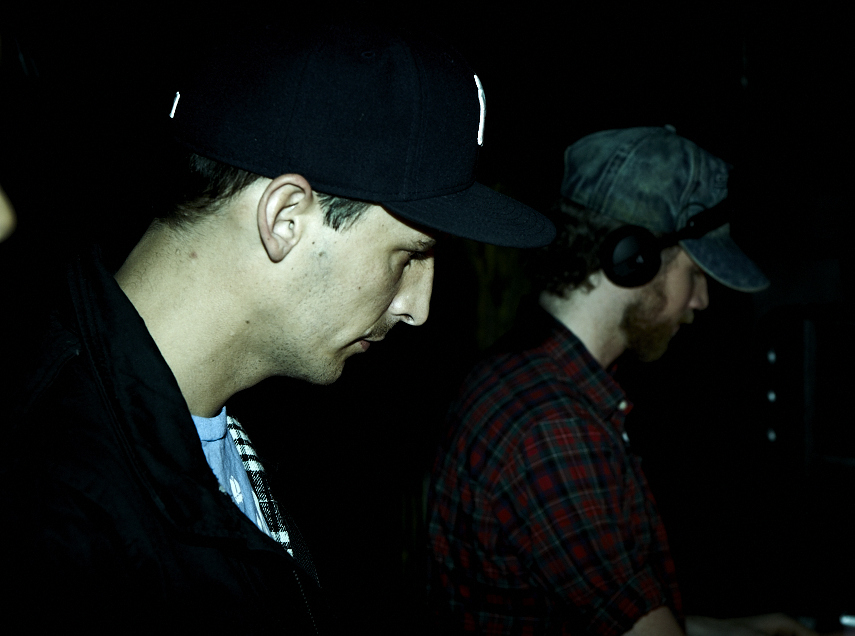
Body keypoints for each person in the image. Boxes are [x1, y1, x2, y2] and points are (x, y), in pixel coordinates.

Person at [1, 23, 553, 633]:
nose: (417, 307)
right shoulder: (53, 513)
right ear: (286, 218)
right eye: (409, 255)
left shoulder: (245, 421)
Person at [427, 126, 813, 635]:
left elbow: (612, 618)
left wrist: (754, 630)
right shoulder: (554, 429)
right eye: (695, 272)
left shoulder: (525, 378)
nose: (701, 300)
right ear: (635, 260)